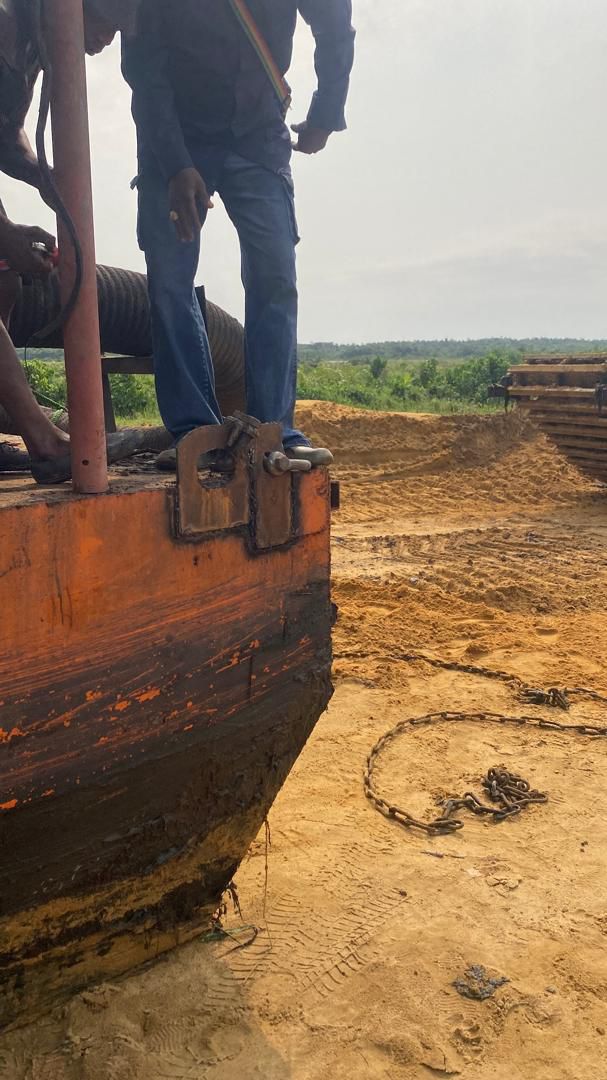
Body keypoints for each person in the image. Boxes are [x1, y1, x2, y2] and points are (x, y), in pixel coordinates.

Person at [122, 0, 355, 470]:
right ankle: (195, 433)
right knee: (170, 282)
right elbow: (143, 65)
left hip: (258, 134)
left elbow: (334, 22)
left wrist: (326, 114)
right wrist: (175, 164)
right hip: (176, 135)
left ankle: (274, 433)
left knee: (275, 277)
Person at [0, 0, 142, 484]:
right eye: (104, 22)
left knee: (5, 283)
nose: (106, 39)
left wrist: (44, 176)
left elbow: (4, 134)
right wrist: (4, 233)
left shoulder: (32, 46)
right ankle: (45, 445)